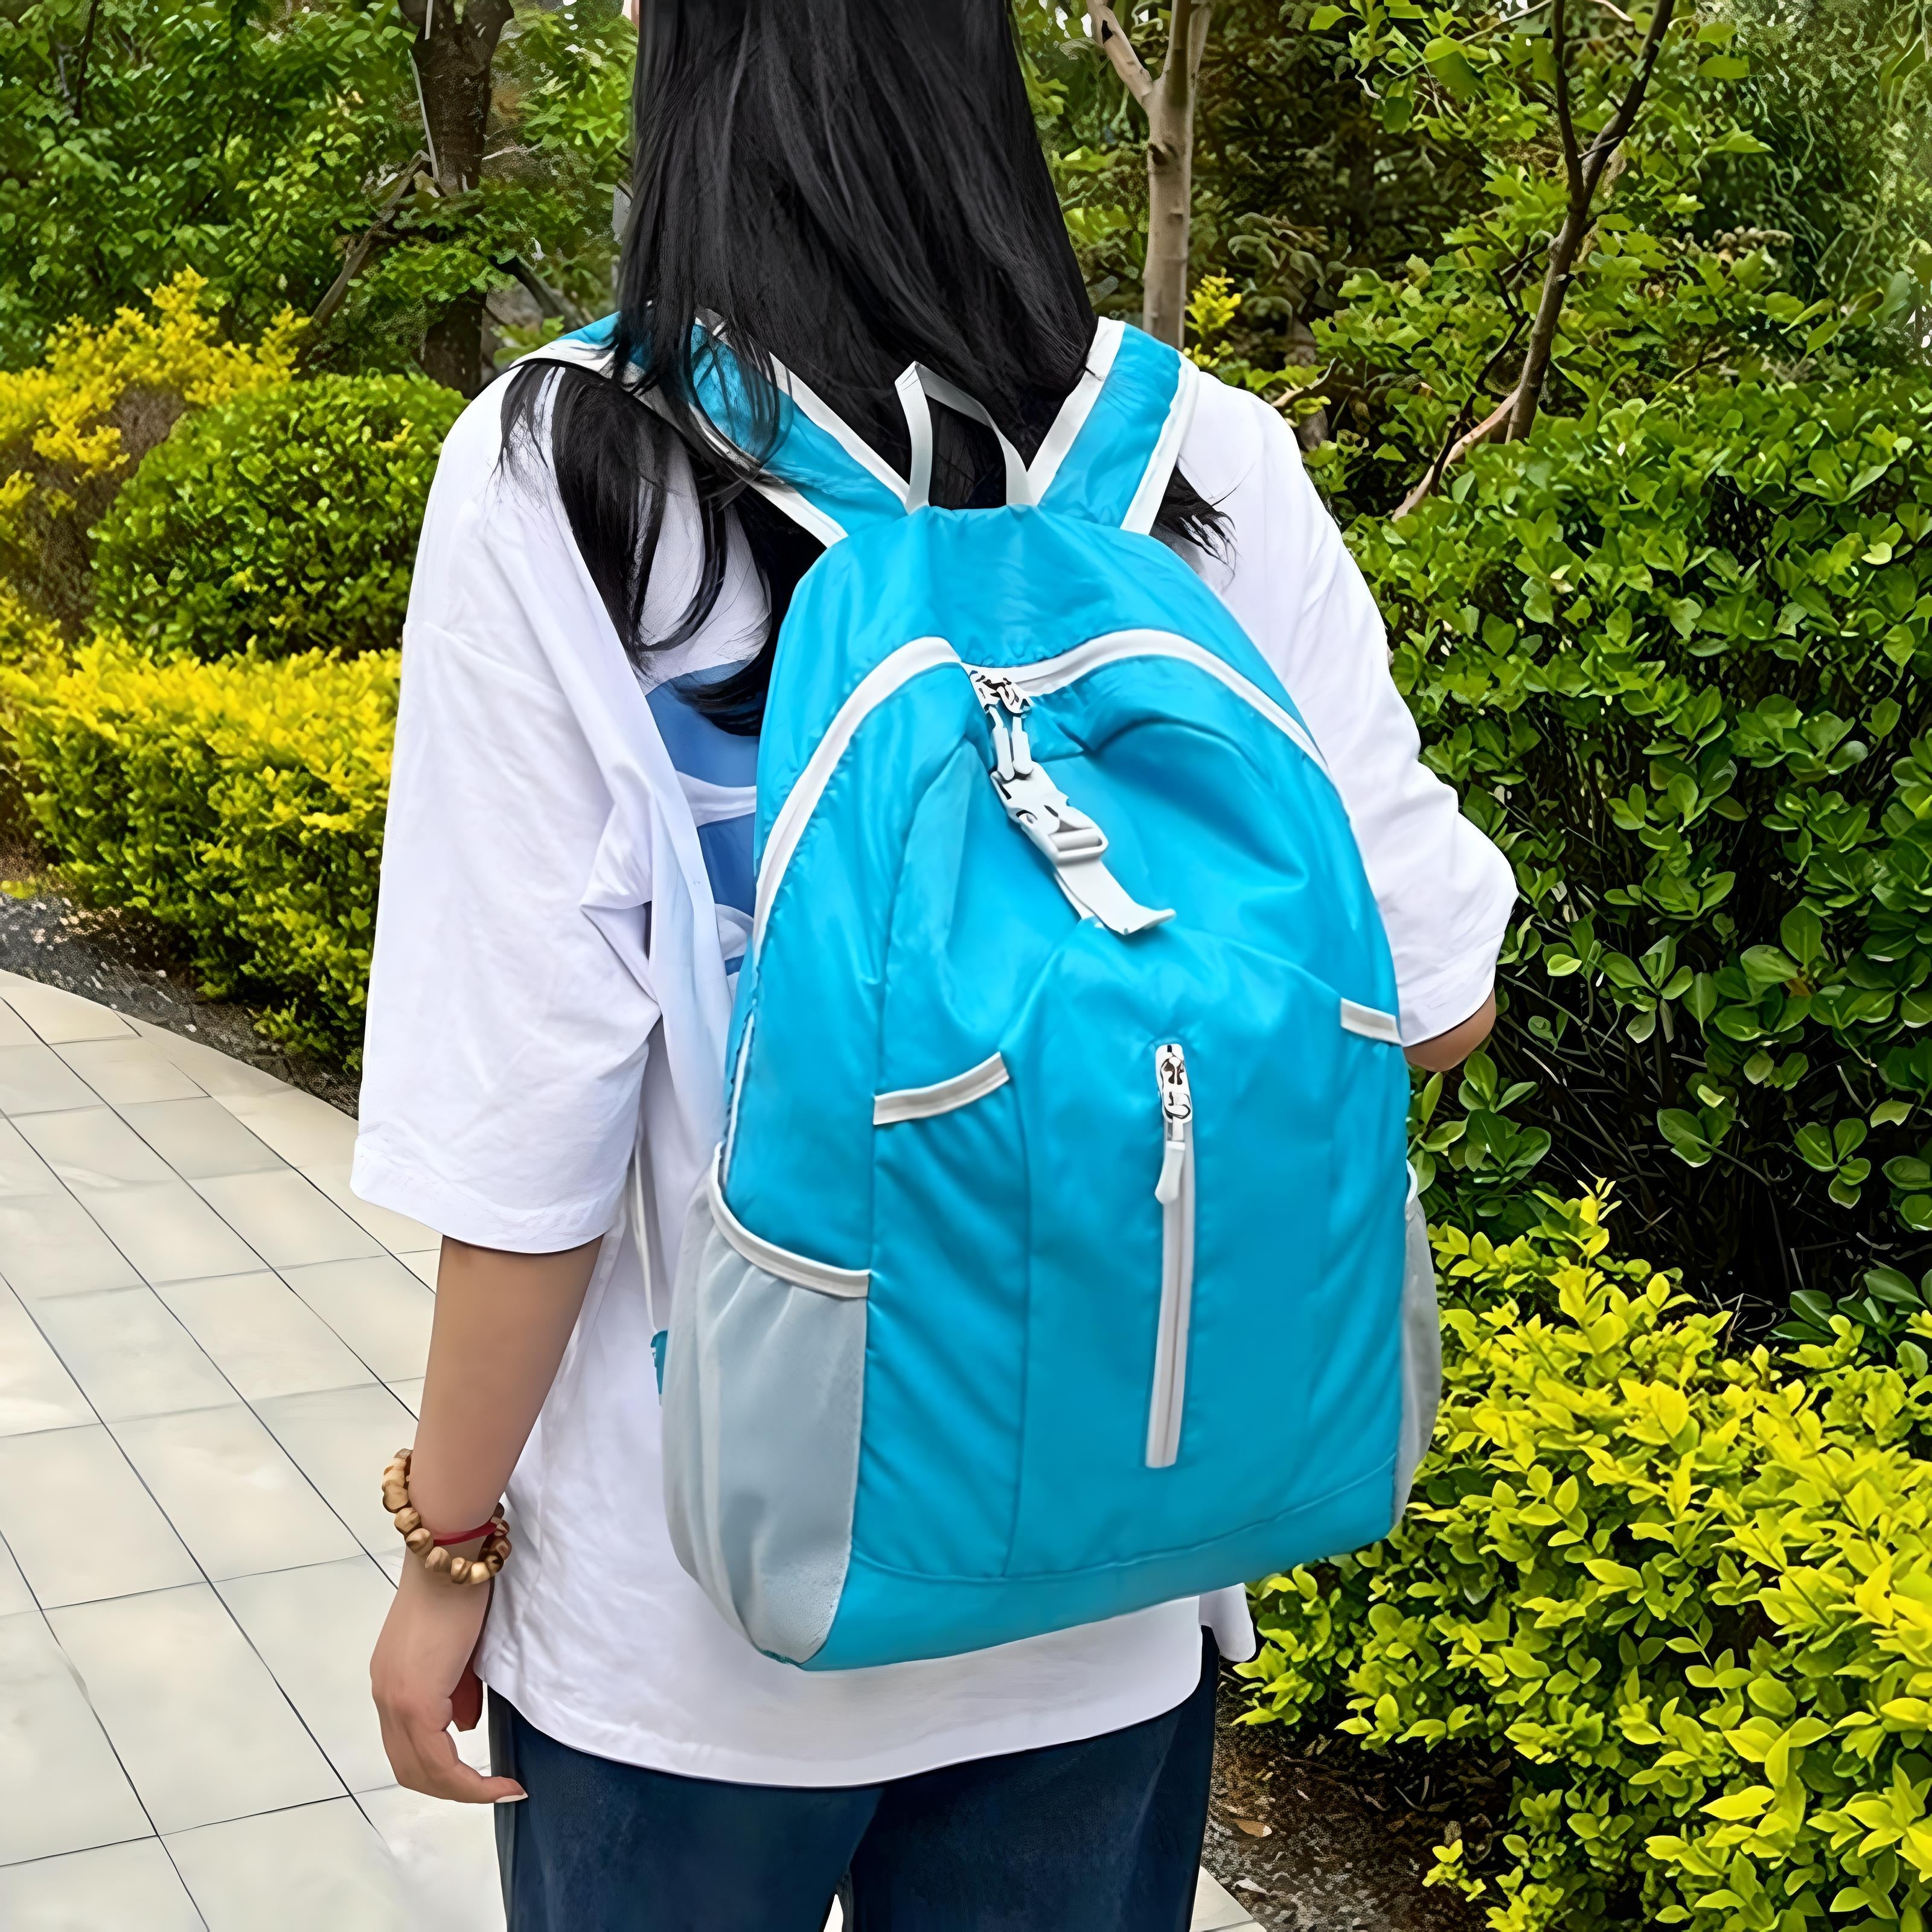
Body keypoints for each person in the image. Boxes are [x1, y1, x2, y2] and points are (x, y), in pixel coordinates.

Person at [354, 1, 1514, 1925]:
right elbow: (1437, 992)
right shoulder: (1198, 457)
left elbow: (529, 1140)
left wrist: (446, 1549)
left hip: (700, 1608)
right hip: (1112, 1582)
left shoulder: (570, 465)